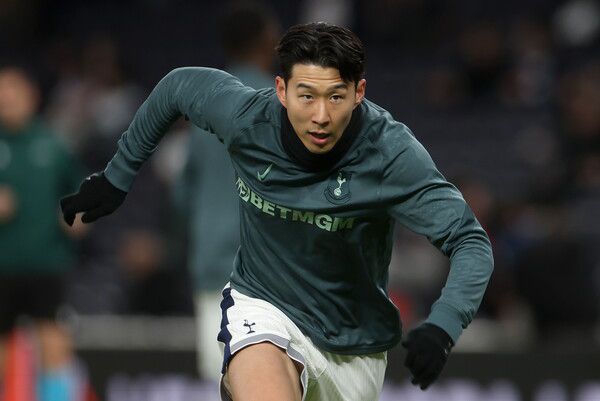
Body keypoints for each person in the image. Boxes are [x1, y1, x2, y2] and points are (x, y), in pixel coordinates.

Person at [61, 23, 494, 401]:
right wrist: (117, 177)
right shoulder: (247, 119)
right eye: (306, 96)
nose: (321, 116)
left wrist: (443, 324)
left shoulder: (390, 154)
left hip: (354, 345)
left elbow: (470, 241)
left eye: (336, 97)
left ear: (359, 93)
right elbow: (177, 87)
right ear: (282, 90)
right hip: (263, 306)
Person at [173, 1, 279, 383]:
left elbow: (182, 194)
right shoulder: (283, 104)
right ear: (267, 42)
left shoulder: (202, 103)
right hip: (274, 268)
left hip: (214, 263)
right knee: (274, 380)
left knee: (221, 380)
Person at [0, 66, 88, 401]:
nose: (6, 99)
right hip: (2, 265)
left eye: (13, 91)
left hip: (46, 264)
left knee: (53, 343)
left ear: (31, 97)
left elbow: (80, 194)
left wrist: (79, 217)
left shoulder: (54, 144)